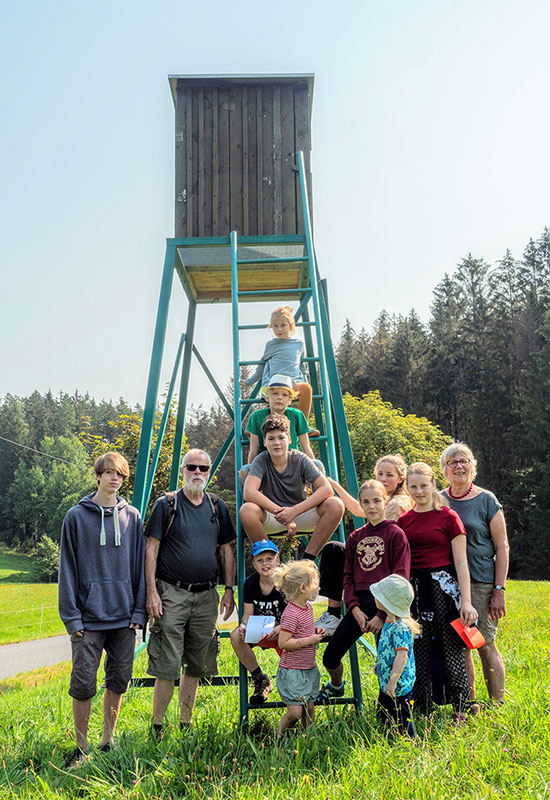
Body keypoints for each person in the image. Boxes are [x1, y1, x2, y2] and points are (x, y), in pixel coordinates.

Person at [58, 452, 146, 767]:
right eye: (108, 473)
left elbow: (139, 567)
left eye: (119, 475)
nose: (113, 479)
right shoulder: (76, 517)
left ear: (123, 479)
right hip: (87, 618)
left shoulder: (132, 517)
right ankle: (81, 747)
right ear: (97, 476)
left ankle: (108, 740)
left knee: (119, 680)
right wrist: (71, 616)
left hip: (124, 618)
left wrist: (139, 612)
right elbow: (66, 567)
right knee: (83, 682)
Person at [145, 449, 236, 737]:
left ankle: (186, 723)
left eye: (204, 468)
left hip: (207, 595)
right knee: (166, 665)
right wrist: (151, 593)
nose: (198, 473)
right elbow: (151, 549)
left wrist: (229, 589)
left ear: (210, 472)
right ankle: (158, 726)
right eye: (192, 467)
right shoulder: (167, 505)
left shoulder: (216, 506)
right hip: (171, 592)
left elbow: (226, 550)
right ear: (183, 470)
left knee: (197, 663)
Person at [317, 480, 411, 703]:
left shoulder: (396, 535)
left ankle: (389, 710)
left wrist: (382, 615)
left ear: (385, 502)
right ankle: (336, 686)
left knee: (386, 663)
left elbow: (401, 578)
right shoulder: (355, 537)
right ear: (360, 504)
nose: (371, 506)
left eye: (377, 501)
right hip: (359, 605)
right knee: (330, 657)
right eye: (366, 502)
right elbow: (347, 577)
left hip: (387, 610)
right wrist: (354, 609)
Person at [398, 462, 478, 722]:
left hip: (445, 589)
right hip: (416, 591)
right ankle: (422, 708)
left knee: (451, 648)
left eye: (424, 485)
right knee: (418, 650)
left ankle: (461, 707)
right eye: (413, 486)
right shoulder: (404, 521)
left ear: (433, 485)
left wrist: (466, 602)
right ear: (407, 488)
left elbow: (461, 563)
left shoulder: (448, 517)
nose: (419, 491)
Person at [440, 442, 509, 704]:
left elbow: (502, 546)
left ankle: (497, 704)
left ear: (473, 467)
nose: (459, 466)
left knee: (483, 643)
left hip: (481, 581)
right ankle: (469, 704)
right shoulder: (438, 499)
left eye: (464, 461)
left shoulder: (486, 499)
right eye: (453, 462)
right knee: (460, 647)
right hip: (447, 583)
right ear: (444, 470)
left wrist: (498, 589)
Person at [316, 454, 414, 635]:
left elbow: (385, 532)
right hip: (372, 557)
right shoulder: (378, 498)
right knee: (335, 551)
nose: (383, 479)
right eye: (380, 474)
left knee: (336, 550)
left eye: (389, 475)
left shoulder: (399, 503)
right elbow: (358, 509)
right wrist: (334, 485)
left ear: (401, 479)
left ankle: (335, 611)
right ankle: (333, 612)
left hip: (386, 564)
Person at [239, 414, 344, 555]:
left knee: (336, 504)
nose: (276, 442)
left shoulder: (300, 458)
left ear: (289, 439)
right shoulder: (261, 460)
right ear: (264, 442)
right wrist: (283, 515)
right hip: (274, 516)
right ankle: (270, 561)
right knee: (247, 510)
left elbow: (326, 489)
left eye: (281, 438)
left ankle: (308, 559)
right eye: (271, 439)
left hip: (300, 513)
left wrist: (293, 512)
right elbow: (249, 492)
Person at [229, 539, 287, 704]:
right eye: (260, 560)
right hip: (262, 629)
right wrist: (244, 626)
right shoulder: (251, 583)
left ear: (278, 560)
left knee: (292, 670)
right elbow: (247, 614)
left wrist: (282, 626)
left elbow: (297, 613)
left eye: (269, 559)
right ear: (254, 564)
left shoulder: (286, 582)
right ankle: (260, 678)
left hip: (286, 632)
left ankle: (295, 685)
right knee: (236, 636)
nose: (265, 564)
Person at [272, 560, 326, 734]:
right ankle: (279, 735)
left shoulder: (307, 608)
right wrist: (310, 640)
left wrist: (315, 630)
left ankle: (307, 738)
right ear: (303, 588)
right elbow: (284, 643)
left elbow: (302, 631)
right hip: (293, 672)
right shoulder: (291, 613)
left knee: (309, 709)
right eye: (315, 585)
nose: (318, 588)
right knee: (295, 713)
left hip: (308, 668)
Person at [241, 305, 316, 425]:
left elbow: (301, 367)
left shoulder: (298, 344)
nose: (279, 330)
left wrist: (304, 382)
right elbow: (261, 367)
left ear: (291, 326)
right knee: (277, 401)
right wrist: (249, 382)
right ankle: (260, 429)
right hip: (275, 383)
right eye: (275, 326)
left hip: (292, 383)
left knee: (307, 388)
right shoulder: (271, 345)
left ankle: (303, 425)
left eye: (283, 325)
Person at [239, 374, 317, 486]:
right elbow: (254, 449)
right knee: (245, 471)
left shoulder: (297, 415)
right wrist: (252, 470)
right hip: (266, 461)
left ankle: (319, 500)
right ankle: (249, 500)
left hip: (291, 460)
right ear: (267, 397)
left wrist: (312, 468)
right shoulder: (256, 416)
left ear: (290, 400)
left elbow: (306, 446)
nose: (279, 397)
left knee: (317, 465)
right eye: (275, 393)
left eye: (284, 395)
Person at [370, 574, 419, 738]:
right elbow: (388, 650)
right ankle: (386, 735)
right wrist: (381, 663)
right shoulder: (390, 622)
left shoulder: (399, 627)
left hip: (397, 683)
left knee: (403, 716)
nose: (375, 598)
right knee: (384, 710)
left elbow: (402, 657)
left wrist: (393, 680)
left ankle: (410, 741)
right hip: (388, 678)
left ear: (388, 602)